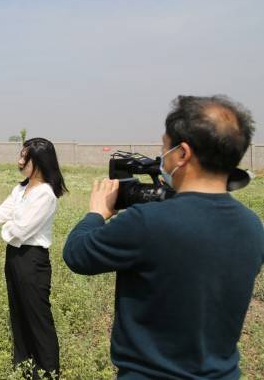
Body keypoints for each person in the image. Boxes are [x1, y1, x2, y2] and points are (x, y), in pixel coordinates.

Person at [63, 95, 264, 379]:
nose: (162, 158)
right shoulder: (253, 226)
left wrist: (96, 213)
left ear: (182, 154)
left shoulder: (147, 223)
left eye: (164, 148)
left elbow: (77, 254)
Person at [0, 138, 67, 378]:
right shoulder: (21, 189)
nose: (19, 161)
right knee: (18, 316)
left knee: (38, 321)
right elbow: (2, 213)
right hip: (15, 257)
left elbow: (19, 231)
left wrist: (9, 225)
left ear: (38, 162)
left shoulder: (45, 194)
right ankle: (26, 370)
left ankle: (48, 373)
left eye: (24, 157)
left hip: (32, 260)